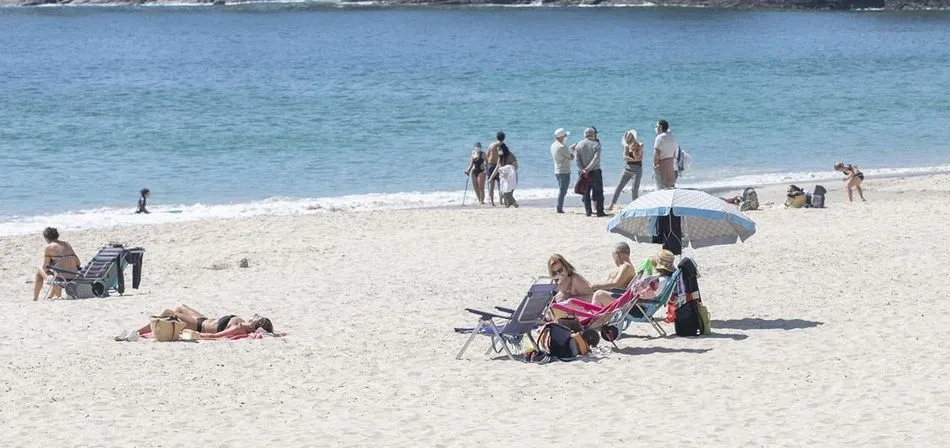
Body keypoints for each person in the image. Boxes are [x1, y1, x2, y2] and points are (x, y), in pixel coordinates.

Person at [128, 304, 274, 340]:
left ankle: (138, 332)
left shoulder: (240, 327)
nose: (254, 315)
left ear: (255, 324)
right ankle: (148, 328)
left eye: (256, 317)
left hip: (199, 326)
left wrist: (198, 336)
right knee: (180, 306)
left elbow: (218, 336)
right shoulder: (241, 323)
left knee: (168, 313)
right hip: (203, 320)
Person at [590, 249, 676, 310]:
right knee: (605, 293)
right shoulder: (665, 279)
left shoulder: (660, 281)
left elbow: (644, 296)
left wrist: (636, 289)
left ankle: (592, 320)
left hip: (635, 305)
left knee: (599, 294)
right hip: (638, 303)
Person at [32, 227, 82, 301]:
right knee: (57, 270)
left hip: (62, 278)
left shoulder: (49, 247)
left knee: (40, 271)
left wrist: (48, 271)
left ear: (46, 238)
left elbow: (45, 267)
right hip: (74, 275)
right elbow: (78, 262)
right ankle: (51, 296)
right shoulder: (66, 244)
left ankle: (35, 299)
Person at [573, 127, 607, 217]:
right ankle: (600, 212)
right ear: (593, 134)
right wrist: (588, 168)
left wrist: (583, 169)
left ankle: (588, 211)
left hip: (583, 172)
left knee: (585, 192)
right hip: (595, 171)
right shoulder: (596, 144)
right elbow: (596, 158)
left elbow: (577, 160)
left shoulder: (579, 145)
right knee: (599, 192)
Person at [609, 129, 644, 210]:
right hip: (627, 169)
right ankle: (611, 205)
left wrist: (634, 150)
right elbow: (625, 158)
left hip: (637, 170)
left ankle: (636, 206)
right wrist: (631, 158)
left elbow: (637, 157)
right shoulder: (626, 146)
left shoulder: (640, 145)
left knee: (634, 189)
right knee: (619, 186)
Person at [550, 128, 573, 214]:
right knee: (563, 190)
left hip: (557, 170)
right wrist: (572, 149)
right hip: (564, 170)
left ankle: (559, 207)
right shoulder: (562, 147)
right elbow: (571, 157)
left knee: (561, 189)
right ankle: (559, 208)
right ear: (561, 137)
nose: (566, 137)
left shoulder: (553, 145)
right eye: (565, 136)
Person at [653, 120, 678, 190]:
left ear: (660, 127)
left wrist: (655, 165)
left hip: (661, 164)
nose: (656, 128)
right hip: (670, 163)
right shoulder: (671, 137)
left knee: (660, 186)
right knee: (670, 186)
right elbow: (674, 151)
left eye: (656, 126)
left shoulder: (659, 138)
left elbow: (657, 153)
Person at [486, 131, 505, 206]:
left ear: (496, 137)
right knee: (500, 184)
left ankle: (492, 202)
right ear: (503, 139)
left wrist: (486, 164)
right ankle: (500, 201)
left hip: (490, 165)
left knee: (491, 185)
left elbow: (487, 155)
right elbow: (502, 157)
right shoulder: (501, 146)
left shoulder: (491, 145)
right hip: (498, 166)